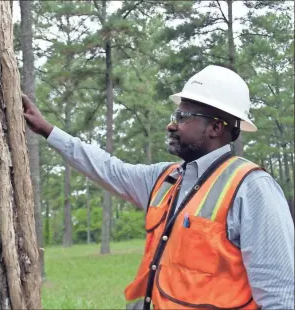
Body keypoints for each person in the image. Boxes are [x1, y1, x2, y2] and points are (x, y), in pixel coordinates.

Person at [22, 65, 294, 310]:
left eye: (183, 116)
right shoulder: (164, 179)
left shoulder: (252, 189)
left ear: (215, 127)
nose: (171, 124)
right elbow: (107, 168)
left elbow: (279, 296)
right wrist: (49, 130)